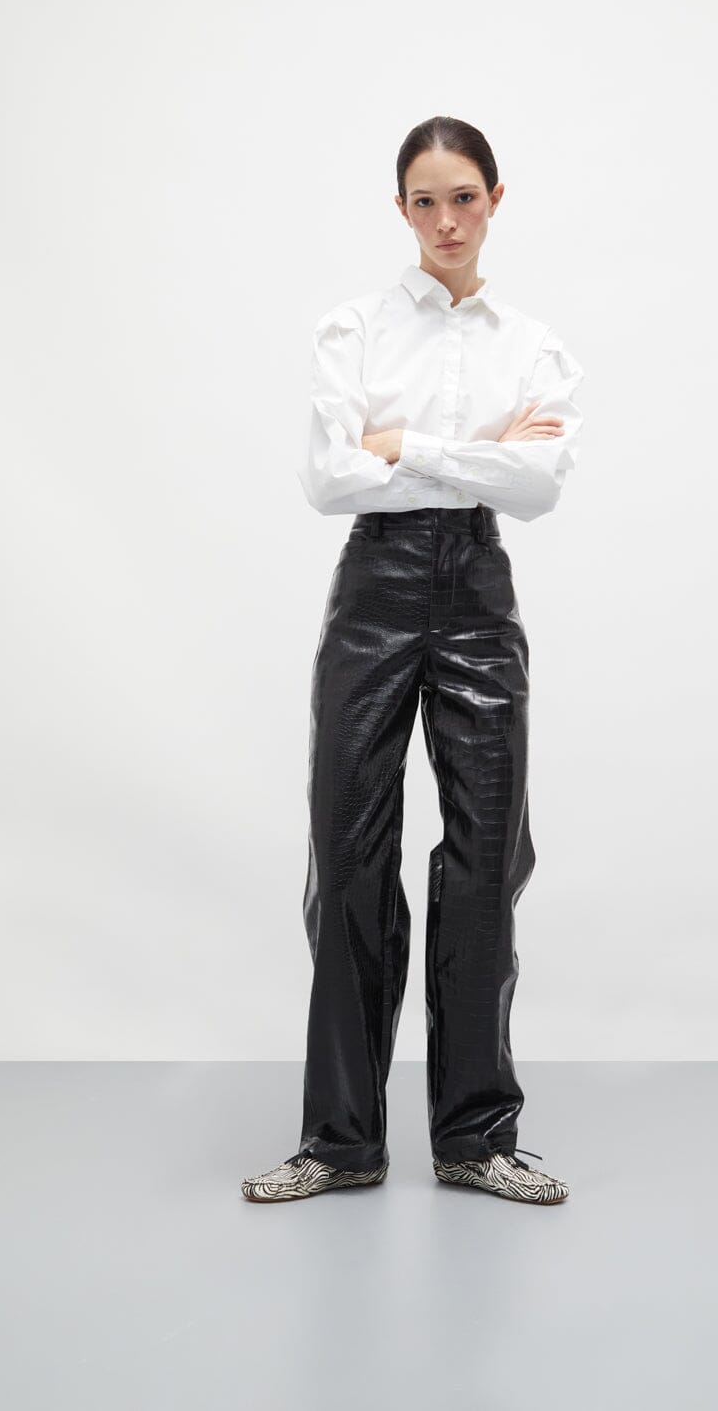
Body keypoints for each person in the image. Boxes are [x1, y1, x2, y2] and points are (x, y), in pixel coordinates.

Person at [242, 116, 584, 1207]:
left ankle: (476, 1137)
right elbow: (330, 480)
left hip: (479, 592)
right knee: (348, 854)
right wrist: (479, 453)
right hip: (375, 591)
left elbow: (539, 487)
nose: (445, 221)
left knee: (486, 862)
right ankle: (340, 1142)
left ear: (495, 200)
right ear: (401, 209)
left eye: (463, 198)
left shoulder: (531, 345)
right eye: (424, 201)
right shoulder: (352, 329)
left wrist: (408, 446)